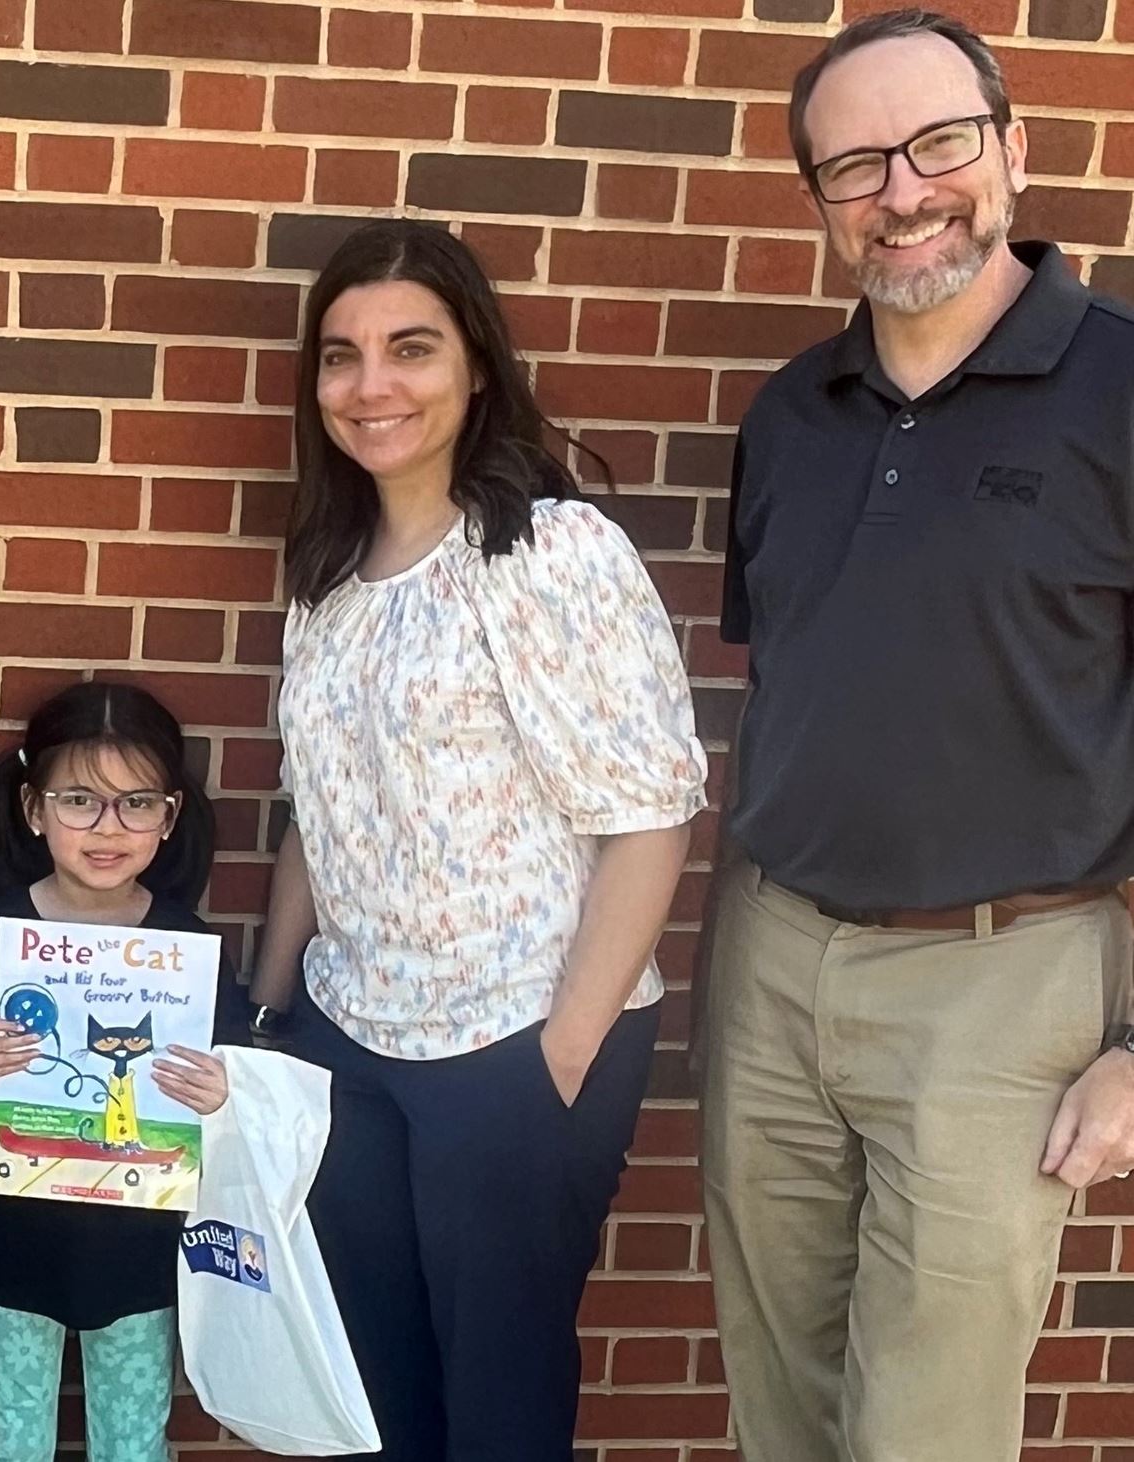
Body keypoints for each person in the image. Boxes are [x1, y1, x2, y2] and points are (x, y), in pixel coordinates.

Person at [705, 12, 1134, 1459]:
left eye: (939, 142)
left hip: (1004, 979)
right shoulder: (790, 417)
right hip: (772, 960)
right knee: (781, 1394)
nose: (904, 190)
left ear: (1012, 147)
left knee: (930, 1425)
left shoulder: (1125, 392)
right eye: (855, 166)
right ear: (820, 201)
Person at [248, 219, 706, 1460]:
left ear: (476, 369)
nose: (370, 385)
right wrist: (272, 1013)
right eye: (338, 357)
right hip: (351, 1035)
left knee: (497, 1413)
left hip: (511, 1044)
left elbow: (651, 813)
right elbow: (316, 806)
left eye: (409, 348)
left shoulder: (548, 551)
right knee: (375, 1399)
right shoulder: (327, 571)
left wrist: (553, 1058)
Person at [0, 680, 246, 1462]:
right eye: (80, 801)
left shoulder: (188, 949)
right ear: (34, 809)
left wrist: (221, 1097)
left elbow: (227, 1112)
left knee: (132, 1444)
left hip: (142, 1253)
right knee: (15, 1437)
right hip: (13, 1244)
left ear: (170, 816)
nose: (108, 826)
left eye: (136, 803)